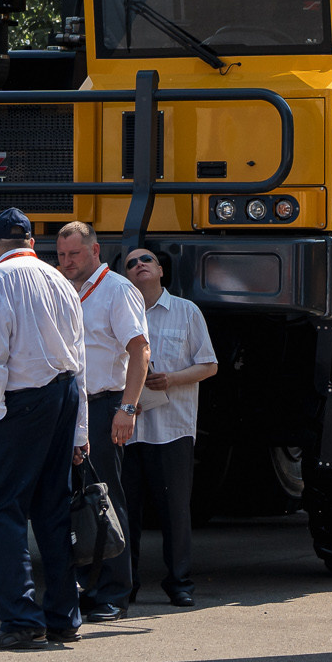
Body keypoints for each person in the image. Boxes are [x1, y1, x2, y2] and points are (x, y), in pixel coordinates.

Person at [0, 207, 89, 651]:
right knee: (52, 506)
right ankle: (63, 617)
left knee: (1, 506)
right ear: (33, 244)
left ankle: (20, 618)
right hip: (62, 396)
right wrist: (80, 431)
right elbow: (80, 359)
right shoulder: (61, 280)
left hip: (20, 401)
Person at [54, 220, 149, 620]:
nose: (66, 262)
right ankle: (87, 585)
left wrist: (127, 408)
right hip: (71, 406)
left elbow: (140, 350)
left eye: (74, 254)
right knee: (75, 500)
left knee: (107, 499)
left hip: (105, 404)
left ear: (95, 251)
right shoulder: (63, 290)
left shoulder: (118, 290)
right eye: (60, 255)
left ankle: (115, 592)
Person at [122, 247, 215, 608]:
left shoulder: (187, 312)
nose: (139, 265)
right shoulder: (121, 311)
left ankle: (179, 583)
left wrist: (172, 380)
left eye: (146, 260)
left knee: (174, 510)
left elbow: (209, 365)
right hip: (129, 427)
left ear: (161, 270)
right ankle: (124, 586)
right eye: (130, 263)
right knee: (125, 510)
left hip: (172, 427)